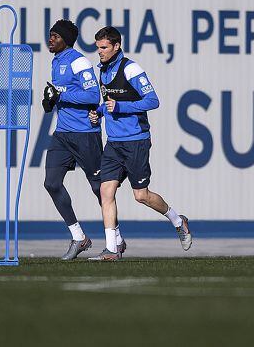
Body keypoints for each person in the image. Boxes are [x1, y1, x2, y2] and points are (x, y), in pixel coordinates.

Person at [87, 27, 191, 261]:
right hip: (113, 143)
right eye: (98, 48)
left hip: (136, 141)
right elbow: (109, 103)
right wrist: (100, 112)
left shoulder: (131, 68)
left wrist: (120, 107)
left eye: (103, 48)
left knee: (141, 195)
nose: (100, 52)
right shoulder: (102, 70)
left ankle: (177, 220)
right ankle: (112, 249)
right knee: (106, 191)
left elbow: (153, 100)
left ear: (116, 46)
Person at [41, 20, 126, 260]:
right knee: (51, 183)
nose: (51, 39)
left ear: (66, 39)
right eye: (50, 35)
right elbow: (63, 94)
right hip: (63, 134)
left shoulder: (78, 61)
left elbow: (91, 94)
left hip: (85, 135)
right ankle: (79, 237)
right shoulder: (56, 61)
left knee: (100, 188)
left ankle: (116, 239)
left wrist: (62, 94)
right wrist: (51, 100)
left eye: (55, 36)